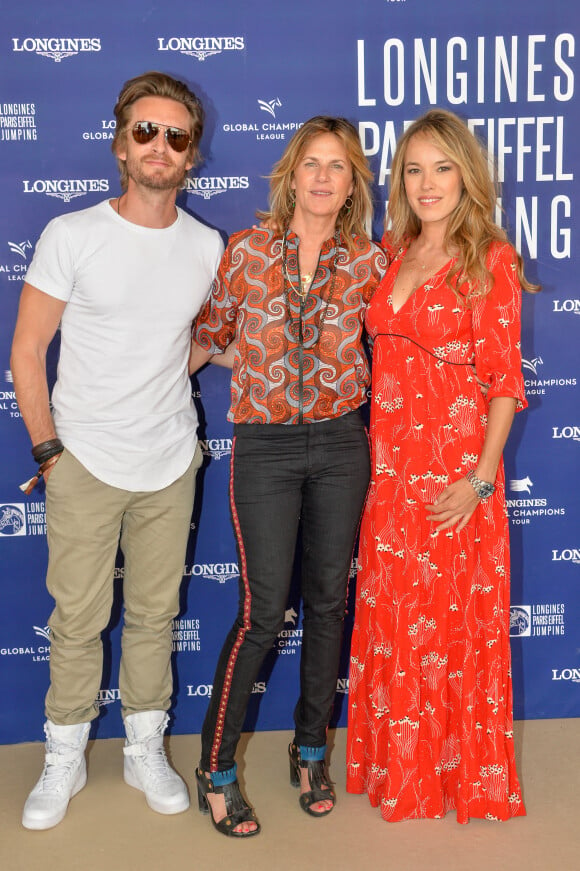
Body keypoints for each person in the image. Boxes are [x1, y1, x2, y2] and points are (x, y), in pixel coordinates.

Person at [10, 71, 224, 830]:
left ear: (191, 155)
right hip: (86, 463)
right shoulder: (73, 235)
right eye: (145, 131)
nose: (160, 146)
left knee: (156, 615)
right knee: (76, 618)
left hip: (170, 462)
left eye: (176, 135)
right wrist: (48, 451)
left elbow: (194, 343)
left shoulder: (207, 246)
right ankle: (62, 757)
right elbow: (28, 351)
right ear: (119, 144)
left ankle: (144, 747)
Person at [189, 116, 388, 836]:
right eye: (312, 162)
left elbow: (400, 344)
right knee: (263, 612)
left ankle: (310, 750)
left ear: (352, 182)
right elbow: (208, 335)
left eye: (338, 165)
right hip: (267, 450)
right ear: (290, 173)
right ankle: (216, 767)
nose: (324, 176)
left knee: (330, 603)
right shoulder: (244, 252)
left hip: (341, 445)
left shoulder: (368, 261)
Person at [346, 108, 539, 823]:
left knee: (448, 637)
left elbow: (504, 382)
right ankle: (401, 770)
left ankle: (453, 778)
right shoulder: (395, 252)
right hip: (390, 481)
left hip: (455, 485)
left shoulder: (490, 257)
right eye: (414, 169)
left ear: (467, 175)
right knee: (399, 629)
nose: (427, 183)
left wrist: (481, 480)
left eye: (442, 167)